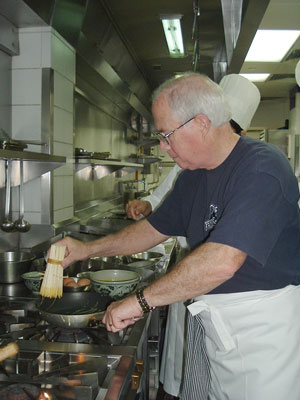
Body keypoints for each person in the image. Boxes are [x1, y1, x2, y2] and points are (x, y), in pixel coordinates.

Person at [55, 73, 300, 400]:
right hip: (214, 322)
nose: (162, 146)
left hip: (262, 335)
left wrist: (141, 301)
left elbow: (223, 262)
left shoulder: (263, 168)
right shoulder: (194, 177)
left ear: (200, 123)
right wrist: (85, 250)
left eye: (166, 135)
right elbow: (152, 230)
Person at [125, 73, 261, 400]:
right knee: (189, 362)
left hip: (241, 307)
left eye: (234, 132)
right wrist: (149, 204)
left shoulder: (256, 169)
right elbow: (167, 202)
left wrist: (140, 301)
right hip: (199, 275)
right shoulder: (193, 162)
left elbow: (225, 260)